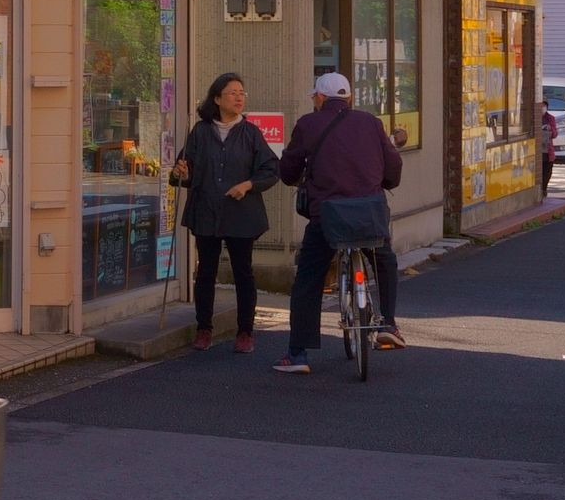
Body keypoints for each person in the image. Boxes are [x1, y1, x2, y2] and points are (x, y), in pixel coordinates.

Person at [274, 69, 404, 371]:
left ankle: (298, 354)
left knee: (309, 278)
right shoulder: (371, 123)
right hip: (369, 213)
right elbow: (393, 167)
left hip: (328, 216)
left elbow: (289, 170)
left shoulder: (308, 124)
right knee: (385, 260)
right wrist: (380, 183)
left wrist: (296, 177)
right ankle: (388, 324)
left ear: (320, 97)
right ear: (350, 98)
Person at [166, 73, 285, 352]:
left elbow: (271, 170)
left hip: (242, 213)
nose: (239, 97)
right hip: (206, 209)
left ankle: (245, 332)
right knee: (206, 272)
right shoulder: (200, 132)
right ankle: (204, 328)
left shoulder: (251, 133)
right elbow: (184, 171)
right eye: (232, 93)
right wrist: (180, 172)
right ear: (217, 99)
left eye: (242, 93)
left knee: (243, 272)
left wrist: (248, 185)